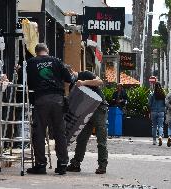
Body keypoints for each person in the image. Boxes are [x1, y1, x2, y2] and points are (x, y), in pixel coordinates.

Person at [25, 43, 72, 175]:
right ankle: (62, 164)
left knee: (39, 133)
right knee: (59, 133)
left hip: (41, 100)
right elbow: (68, 79)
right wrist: (65, 93)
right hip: (58, 99)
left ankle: (40, 165)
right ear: (47, 50)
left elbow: (24, 81)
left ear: (36, 52)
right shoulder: (56, 61)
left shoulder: (31, 62)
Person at [66, 66, 108, 174]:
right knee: (81, 139)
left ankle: (102, 165)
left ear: (71, 71)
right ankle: (76, 163)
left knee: (101, 138)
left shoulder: (85, 74)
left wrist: (83, 83)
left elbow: (99, 82)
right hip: (85, 113)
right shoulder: (72, 86)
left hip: (99, 109)